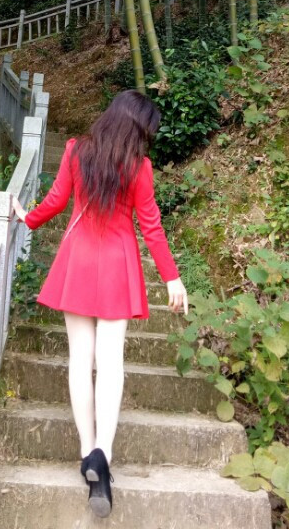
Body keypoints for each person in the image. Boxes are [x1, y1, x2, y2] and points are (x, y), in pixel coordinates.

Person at [11, 90, 188, 519]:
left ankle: (85, 449)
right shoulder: (139, 167)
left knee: (80, 360)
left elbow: (56, 202)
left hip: (79, 258)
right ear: (137, 127)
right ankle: (102, 455)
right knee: (111, 364)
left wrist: (26, 217)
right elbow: (151, 226)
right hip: (117, 264)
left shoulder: (76, 150)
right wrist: (172, 277)